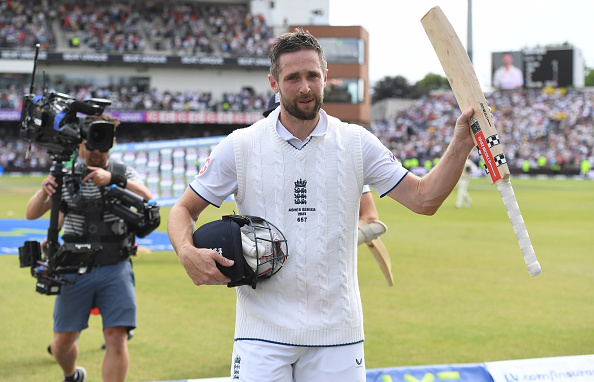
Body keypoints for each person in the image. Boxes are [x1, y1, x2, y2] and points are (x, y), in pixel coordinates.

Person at [168, 28, 476, 381]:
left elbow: (424, 199)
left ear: (325, 77)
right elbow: (182, 210)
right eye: (292, 77)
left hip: (338, 334)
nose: (304, 87)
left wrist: (461, 143)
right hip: (261, 333)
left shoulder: (357, 142)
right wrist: (185, 251)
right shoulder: (241, 146)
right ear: (274, 83)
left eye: (312, 75)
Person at [26, 114, 152, 382]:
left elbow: (148, 198)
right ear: (80, 144)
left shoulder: (122, 171)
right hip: (73, 266)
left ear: (113, 143)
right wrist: (44, 191)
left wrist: (114, 180)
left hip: (115, 264)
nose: (96, 151)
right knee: (61, 343)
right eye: (90, 144)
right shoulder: (67, 175)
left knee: (117, 337)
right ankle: (72, 375)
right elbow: (32, 213)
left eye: (102, 143)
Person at [263, 93, 387, 243]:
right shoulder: (257, 159)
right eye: (275, 117)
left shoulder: (342, 155)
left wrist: (331, 244)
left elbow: (369, 217)